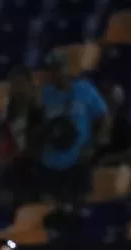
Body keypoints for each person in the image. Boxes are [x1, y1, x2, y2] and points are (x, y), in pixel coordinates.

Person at [37, 50, 108, 210]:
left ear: (66, 68)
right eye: (51, 69)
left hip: (78, 159)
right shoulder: (45, 94)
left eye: (58, 68)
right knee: (52, 210)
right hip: (51, 162)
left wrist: (94, 145)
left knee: (79, 207)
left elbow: (103, 117)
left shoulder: (84, 89)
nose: (55, 73)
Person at [0, 65, 44, 207]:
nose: (18, 88)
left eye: (21, 83)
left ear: (30, 85)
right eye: (15, 85)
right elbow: (3, 141)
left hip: (37, 163)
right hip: (15, 164)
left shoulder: (41, 108)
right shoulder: (9, 110)